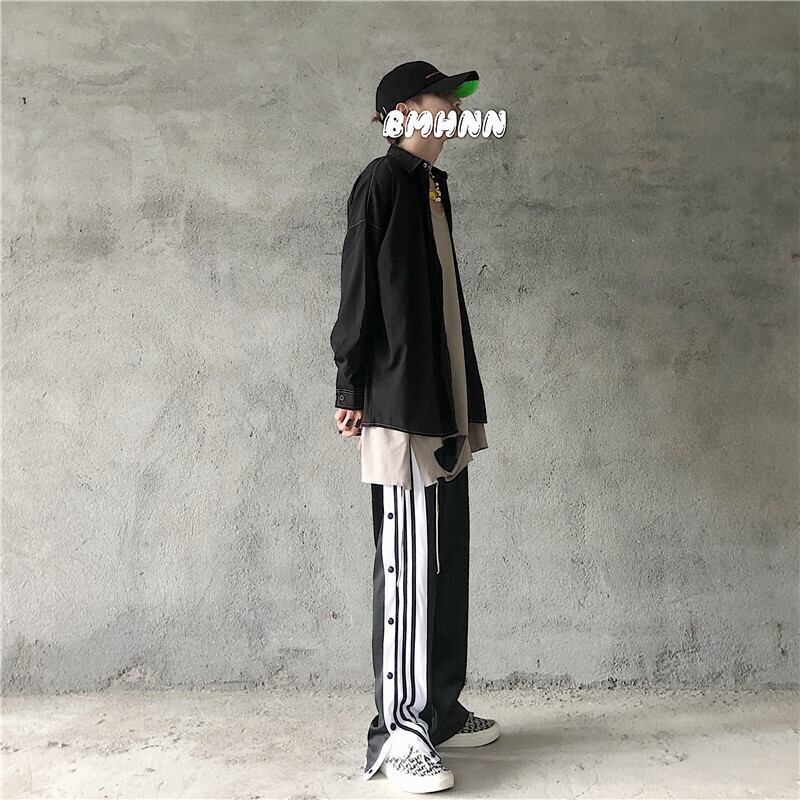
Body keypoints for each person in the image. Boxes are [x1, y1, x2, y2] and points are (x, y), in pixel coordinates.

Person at [330, 61, 500, 794]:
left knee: (445, 559)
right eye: (443, 99)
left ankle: (439, 709)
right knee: (407, 568)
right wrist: (350, 383)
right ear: (404, 110)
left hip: (444, 404)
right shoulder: (380, 182)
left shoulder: (432, 186)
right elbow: (359, 288)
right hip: (401, 407)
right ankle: (396, 733)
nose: (455, 111)